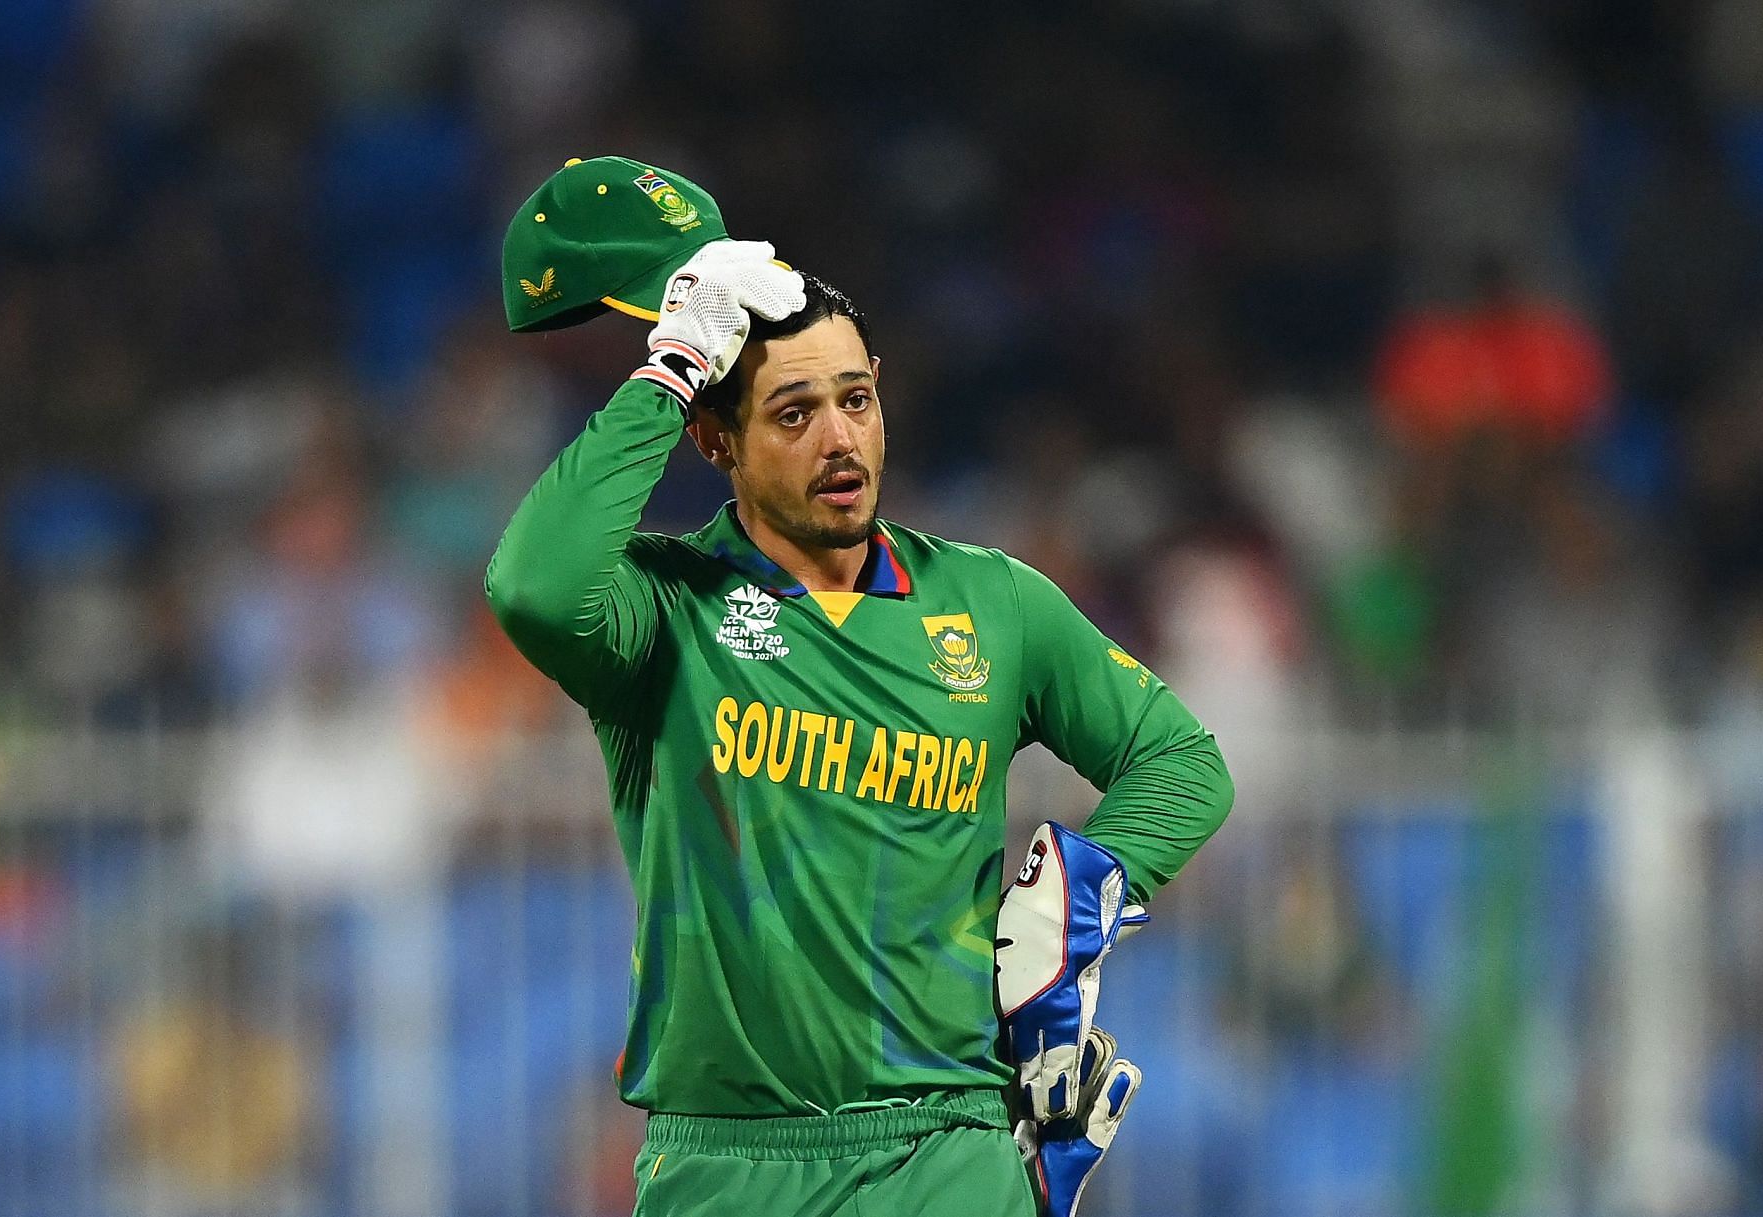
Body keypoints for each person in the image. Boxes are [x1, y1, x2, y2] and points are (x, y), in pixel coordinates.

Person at [485, 229, 1234, 1215]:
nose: (840, 437)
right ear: (716, 438)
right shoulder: (665, 611)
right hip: (724, 1159)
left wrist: (1076, 897)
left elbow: (1182, 760)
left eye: (856, 398)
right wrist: (671, 369)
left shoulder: (992, 602)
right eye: (794, 411)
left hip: (948, 1140)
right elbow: (534, 589)